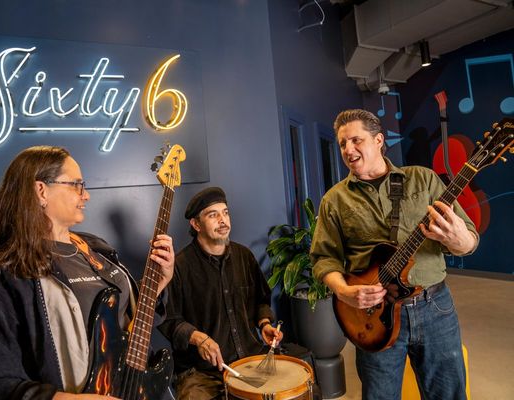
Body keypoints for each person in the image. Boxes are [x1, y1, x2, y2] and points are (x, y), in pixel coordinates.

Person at [0, 145, 175, 400]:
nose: (86, 195)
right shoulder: (1, 273)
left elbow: (126, 327)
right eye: (76, 184)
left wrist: (157, 285)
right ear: (41, 191)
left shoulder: (96, 248)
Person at [310, 109, 478, 400]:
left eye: (356, 140)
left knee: (449, 394)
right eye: (342, 143)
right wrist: (344, 292)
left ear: (378, 140)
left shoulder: (423, 180)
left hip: (434, 308)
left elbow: (469, 239)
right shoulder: (334, 200)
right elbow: (324, 258)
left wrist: (459, 240)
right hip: (373, 317)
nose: (348, 149)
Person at [158, 187, 283, 399]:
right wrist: (198, 338)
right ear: (196, 224)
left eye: (225, 213)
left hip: (250, 359)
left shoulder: (244, 256)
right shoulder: (178, 266)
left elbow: (260, 301)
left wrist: (264, 324)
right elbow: (168, 319)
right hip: (202, 372)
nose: (222, 220)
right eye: (213, 215)